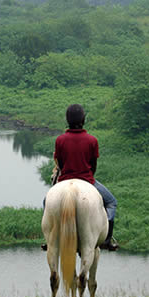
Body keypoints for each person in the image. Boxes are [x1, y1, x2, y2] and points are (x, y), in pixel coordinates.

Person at [47, 104, 119, 251]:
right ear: (83, 119)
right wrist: (88, 177)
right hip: (87, 179)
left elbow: (59, 163)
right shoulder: (92, 140)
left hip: (64, 180)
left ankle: (49, 238)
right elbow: (93, 165)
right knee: (112, 202)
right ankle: (107, 239)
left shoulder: (60, 140)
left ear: (67, 120)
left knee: (46, 202)